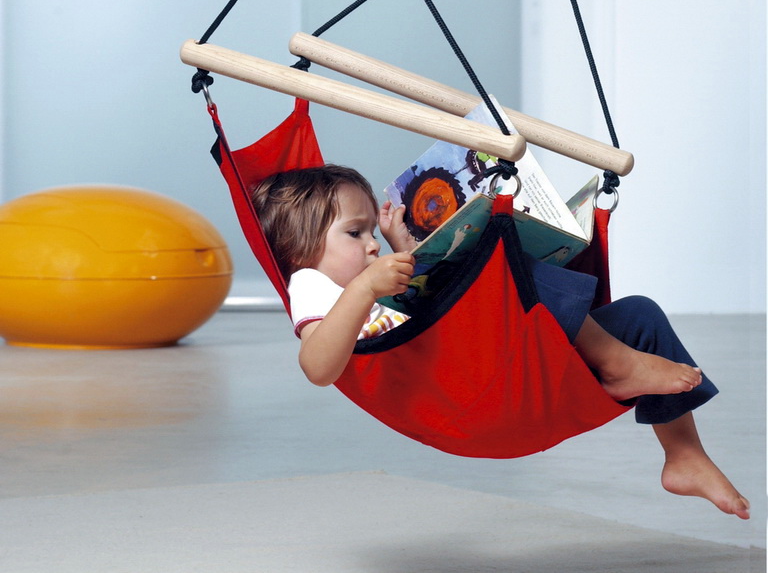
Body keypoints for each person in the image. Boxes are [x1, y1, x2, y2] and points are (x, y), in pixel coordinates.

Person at [250, 163, 750, 521]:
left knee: (640, 315)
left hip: (493, 366)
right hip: (461, 389)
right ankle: (617, 363)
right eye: (355, 233)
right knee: (514, 275)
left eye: (370, 233)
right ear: (300, 249)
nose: (371, 245)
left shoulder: (365, 277)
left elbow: (415, 306)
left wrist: (406, 254)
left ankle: (684, 455)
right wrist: (364, 287)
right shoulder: (312, 284)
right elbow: (318, 367)